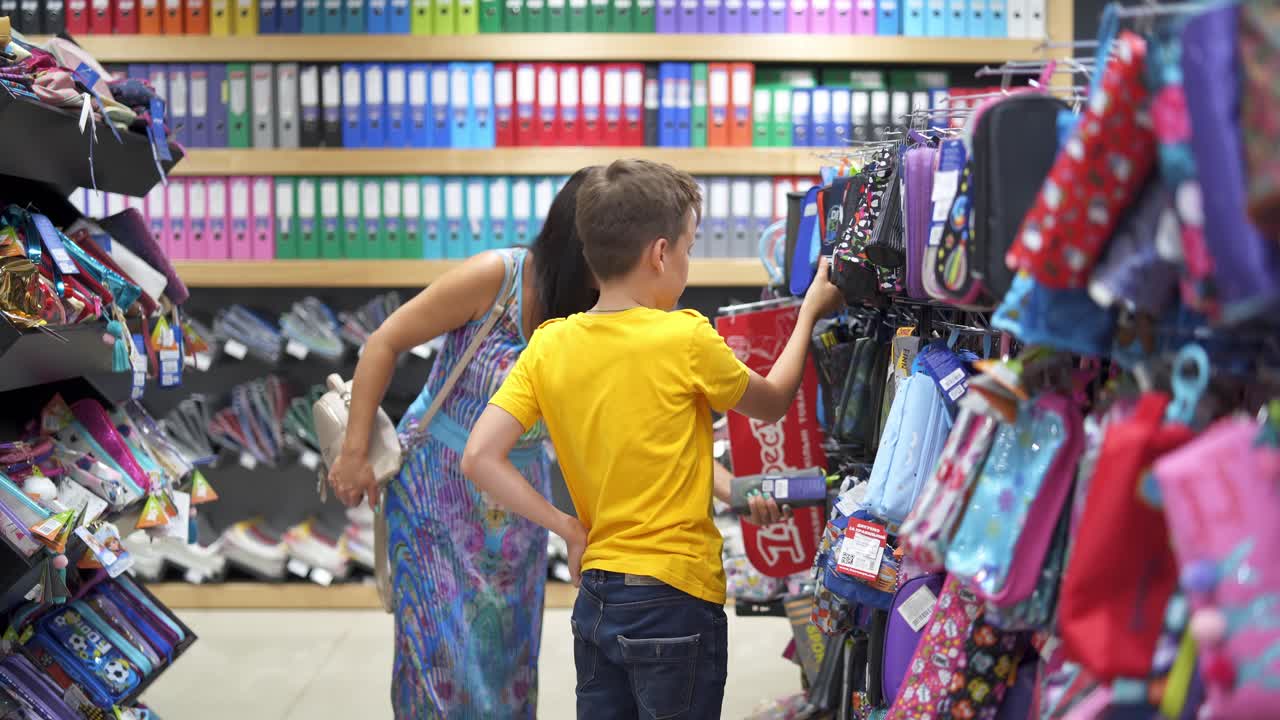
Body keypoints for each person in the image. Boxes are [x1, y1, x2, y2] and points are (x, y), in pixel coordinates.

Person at [461, 159, 844, 719]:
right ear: (661, 254)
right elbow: (774, 400)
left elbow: (479, 456)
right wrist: (809, 311)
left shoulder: (549, 344)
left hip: (596, 596)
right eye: (689, 248)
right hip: (677, 596)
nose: (686, 262)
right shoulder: (684, 336)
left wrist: (568, 526)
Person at [325, 168, 603, 718]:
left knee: (506, 660)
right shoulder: (498, 275)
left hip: (520, 505)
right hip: (436, 488)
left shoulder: (604, 310)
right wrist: (353, 454)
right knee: (441, 658)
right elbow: (384, 341)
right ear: (582, 244)